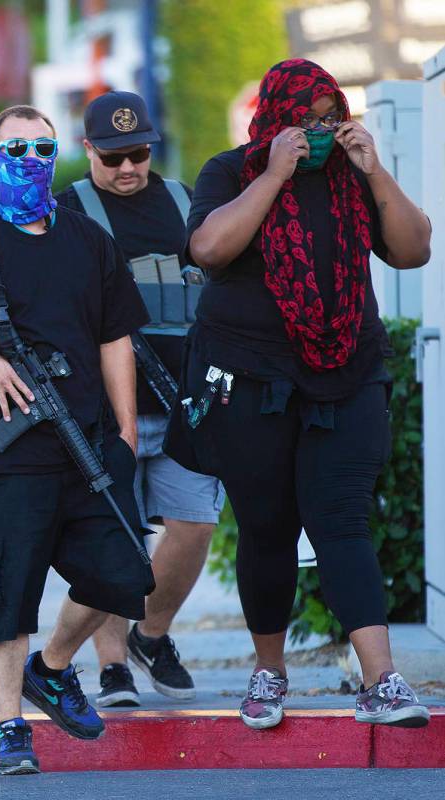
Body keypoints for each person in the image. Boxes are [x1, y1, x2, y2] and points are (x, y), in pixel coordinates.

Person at [168, 58, 431, 730]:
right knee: (266, 528)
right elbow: (209, 249)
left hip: (347, 373)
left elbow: (412, 249)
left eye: (327, 117)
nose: (317, 131)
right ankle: (268, 670)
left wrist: (373, 169)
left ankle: (382, 679)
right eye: (302, 118)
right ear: (273, 117)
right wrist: (273, 175)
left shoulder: (351, 177)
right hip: (251, 380)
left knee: (341, 519)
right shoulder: (231, 170)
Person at [0, 105, 154, 776]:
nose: (31, 160)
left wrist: (125, 429)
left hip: (87, 443)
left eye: (42, 147)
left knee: (123, 573)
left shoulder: (86, 239)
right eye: (16, 150)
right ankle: (9, 724)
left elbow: (113, 337)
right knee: (3, 591)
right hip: (5, 452)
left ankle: (51, 668)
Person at [56, 90, 225, 707]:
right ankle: (110, 667)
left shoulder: (186, 201)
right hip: (104, 409)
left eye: (137, 155)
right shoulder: (67, 209)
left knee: (194, 525)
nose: (127, 169)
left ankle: (150, 636)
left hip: (185, 403)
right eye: (113, 157)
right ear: (88, 152)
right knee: (114, 536)